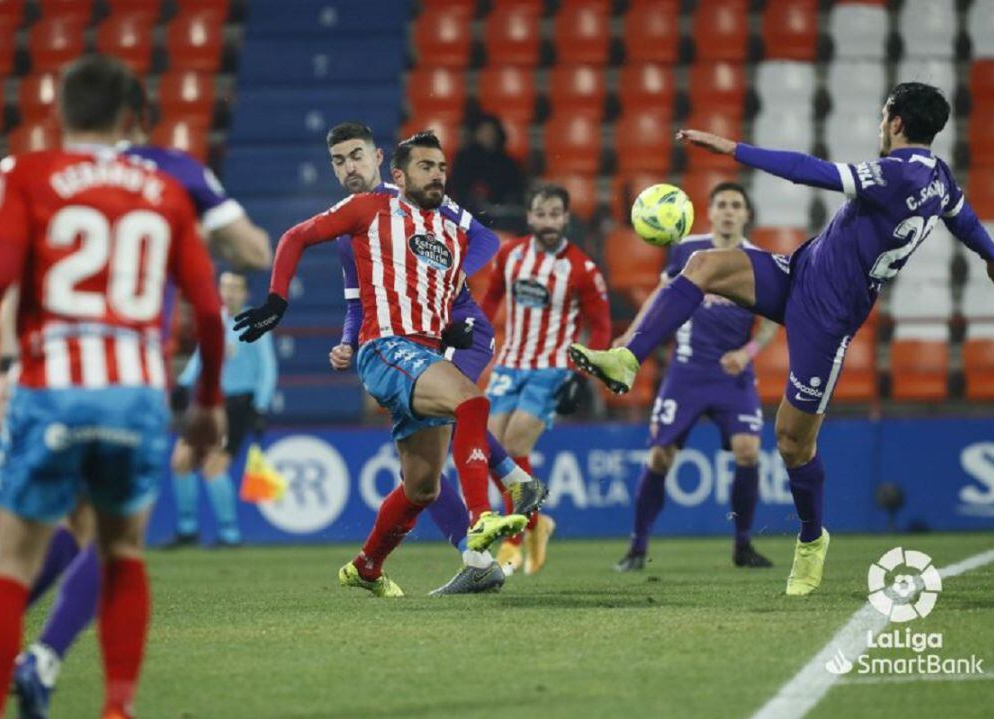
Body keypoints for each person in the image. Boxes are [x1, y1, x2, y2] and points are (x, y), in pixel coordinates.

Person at [570, 82, 994, 595]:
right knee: (703, 263)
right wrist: (992, 255)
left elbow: (807, 170)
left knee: (793, 444)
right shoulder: (938, 177)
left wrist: (731, 148)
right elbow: (964, 217)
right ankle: (627, 357)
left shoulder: (891, 173)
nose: (878, 122)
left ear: (895, 123)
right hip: (797, 273)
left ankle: (811, 537)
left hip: (827, 319)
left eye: (882, 114)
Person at [0, 75, 272, 717]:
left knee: (53, 536)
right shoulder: (172, 175)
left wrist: (6, 362)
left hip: (47, 374)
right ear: (137, 114)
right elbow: (249, 255)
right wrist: (205, 217)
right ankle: (60, 674)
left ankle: (1, 652)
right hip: (131, 380)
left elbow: (8, 276)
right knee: (114, 542)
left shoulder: (35, 172)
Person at [234, 131, 530, 597]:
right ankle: (483, 516)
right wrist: (277, 298)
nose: (435, 176)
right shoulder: (367, 210)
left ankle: (366, 566)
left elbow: (439, 281)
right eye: (425, 168)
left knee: (422, 488)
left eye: (440, 169)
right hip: (387, 349)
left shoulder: (447, 230)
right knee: (471, 403)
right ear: (397, 173)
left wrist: (449, 327)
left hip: (423, 353)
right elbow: (296, 236)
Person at [322, 122, 546, 595]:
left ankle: (508, 488)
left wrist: (441, 279)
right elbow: (356, 303)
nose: (350, 168)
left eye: (357, 156)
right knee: (420, 477)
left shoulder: (420, 195)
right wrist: (347, 340)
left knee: (461, 404)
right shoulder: (352, 225)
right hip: (407, 340)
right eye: (339, 161)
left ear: (382, 160)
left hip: (454, 331)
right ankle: (446, 559)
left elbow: (485, 240)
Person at [612, 182, 778, 573]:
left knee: (748, 451)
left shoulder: (760, 260)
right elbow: (662, 296)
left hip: (732, 373)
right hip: (686, 370)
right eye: (721, 204)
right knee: (659, 455)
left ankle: (743, 545)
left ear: (746, 214)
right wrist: (632, 335)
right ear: (710, 211)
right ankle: (637, 547)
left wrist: (747, 352)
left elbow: (771, 320)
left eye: (736, 204)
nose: (728, 211)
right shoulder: (688, 250)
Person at [480, 183, 612, 575]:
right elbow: (490, 300)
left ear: (566, 218)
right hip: (509, 364)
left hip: (552, 367)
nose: (549, 221)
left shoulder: (582, 269)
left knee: (516, 441)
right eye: (542, 213)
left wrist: (581, 375)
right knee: (490, 449)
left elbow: (601, 329)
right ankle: (538, 524)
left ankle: (515, 539)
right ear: (530, 217)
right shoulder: (511, 255)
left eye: (556, 214)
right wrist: (475, 337)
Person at [169, 270, 277, 547]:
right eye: (224, 286)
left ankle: (230, 534)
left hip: (238, 405)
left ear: (245, 294)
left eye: (234, 287)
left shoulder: (255, 323)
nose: (228, 293)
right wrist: (183, 385)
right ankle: (187, 530)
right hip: (209, 402)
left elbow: (267, 369)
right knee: (181, 460)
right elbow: (201, 356)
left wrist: (261, 407)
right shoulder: (214, 320)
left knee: (213, 467)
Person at [447, 114, 527, 230]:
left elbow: (516, 190)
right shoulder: (464, 158)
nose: (488, 135)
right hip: (472, 212)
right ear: (475, 134)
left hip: (501, 213)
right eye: (483, 131)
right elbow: (458, 188)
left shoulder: (508, 161)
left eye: (491, 131)